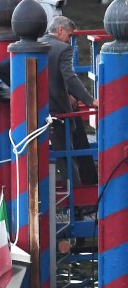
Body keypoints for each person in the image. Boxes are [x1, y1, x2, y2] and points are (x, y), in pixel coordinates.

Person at [41, 15, 99, 187]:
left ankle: (78, 192)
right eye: (70, 35)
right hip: (59, 110)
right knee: (68, 155)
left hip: (43, 109)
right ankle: (78, 197)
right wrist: (90, 100)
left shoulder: (39, 44)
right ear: (60, 30)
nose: (70, 40)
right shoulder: (63, 49)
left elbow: (48, 76)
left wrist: (67, 93)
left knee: (63, 154)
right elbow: (70, 77)